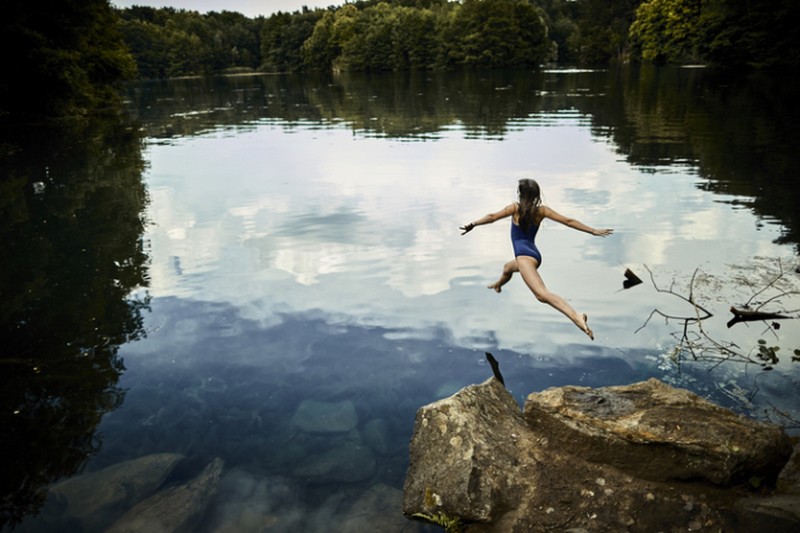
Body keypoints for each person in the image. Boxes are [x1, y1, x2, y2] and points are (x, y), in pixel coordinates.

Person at [460, 179, 613, 340]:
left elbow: (492, 216)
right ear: (536, 195)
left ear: (520, 194)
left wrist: (474, 224)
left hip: (524, 258)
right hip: (534, 255)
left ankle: (576, 315)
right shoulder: (542, 211)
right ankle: (498, 285)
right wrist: (592, 231)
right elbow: (568, 221)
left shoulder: (515, 208)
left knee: (541, 294)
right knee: (507, 268)